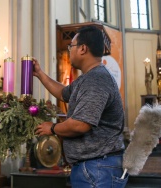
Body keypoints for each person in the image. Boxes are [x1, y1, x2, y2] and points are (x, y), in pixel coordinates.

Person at [34, 25, 128, 187]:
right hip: (95, 166)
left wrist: (53, 128)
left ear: (83, 48)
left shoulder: (96, 79)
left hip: (98, 168)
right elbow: (63, 93)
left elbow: (80, 124)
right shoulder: (90, 78)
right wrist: (40, 74)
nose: (70, 50)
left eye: (71, 46)